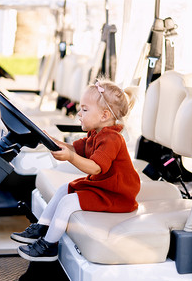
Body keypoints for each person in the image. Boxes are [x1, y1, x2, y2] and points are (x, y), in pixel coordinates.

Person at [11, 79, 141, 262]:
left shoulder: (111, 139)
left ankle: (48, 246)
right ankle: (42, 227)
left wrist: (71, 158)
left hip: (117, 196)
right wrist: (46, 138)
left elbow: (95, 168)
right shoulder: (96, 134)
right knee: (65, 189)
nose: (79, 113)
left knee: (68, 202)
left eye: (85, 110)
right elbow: (74, 148)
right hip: (104, 188)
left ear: (104, 115)